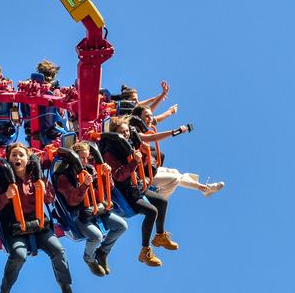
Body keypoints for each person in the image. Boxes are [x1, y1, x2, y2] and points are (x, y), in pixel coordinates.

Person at [0, 143, 73, 293]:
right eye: (14, 155)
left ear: (27, 159)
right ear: (9, 159)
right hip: (14, 227)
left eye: (21, 155)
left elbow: (50, 199)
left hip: (38, 224)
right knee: (18, 255)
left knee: (58, 250)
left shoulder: (36, 176)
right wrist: (6, 195)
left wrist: (44, 191)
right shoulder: (1, 177)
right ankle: (5, 288)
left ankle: (65, 285)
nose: (17, 158)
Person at [104, 117, 177, 267]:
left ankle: (160, 236)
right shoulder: (110, 153)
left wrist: (143, 155)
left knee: (162, 202)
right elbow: (119, 175)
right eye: (122, 132)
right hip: (125, 193)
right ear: (115, 134)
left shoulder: (128, 145)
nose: (126, 135)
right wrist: (134, 162)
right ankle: (145, 251)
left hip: (136, 186)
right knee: (152, 212)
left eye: (127, 131)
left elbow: (139, 167)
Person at [55, 142, 127, 276]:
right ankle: (89, 259)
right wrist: (84, 185)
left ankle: (103, 252)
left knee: (122, 226)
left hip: (96, 208)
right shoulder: (65, 176)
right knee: (96, 237)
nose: (85, 161)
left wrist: (107, 175)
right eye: (82, 158)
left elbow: (109, 187)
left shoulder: (90, 169)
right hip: (79, 214)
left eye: (87, 158)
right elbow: (72, 201)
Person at [130, 106, 225, 198]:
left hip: (147, 168)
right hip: (140, 174)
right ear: (139, 118)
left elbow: (156, 120)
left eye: (151, 115)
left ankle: (204, 188)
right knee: (175, 179)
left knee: (175, 172)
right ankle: (157, 199)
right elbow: (152, 137)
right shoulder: (134, 129)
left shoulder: (144, 128)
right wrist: (176, 131)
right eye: (147, 116)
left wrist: (169, 111)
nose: (150, 118)